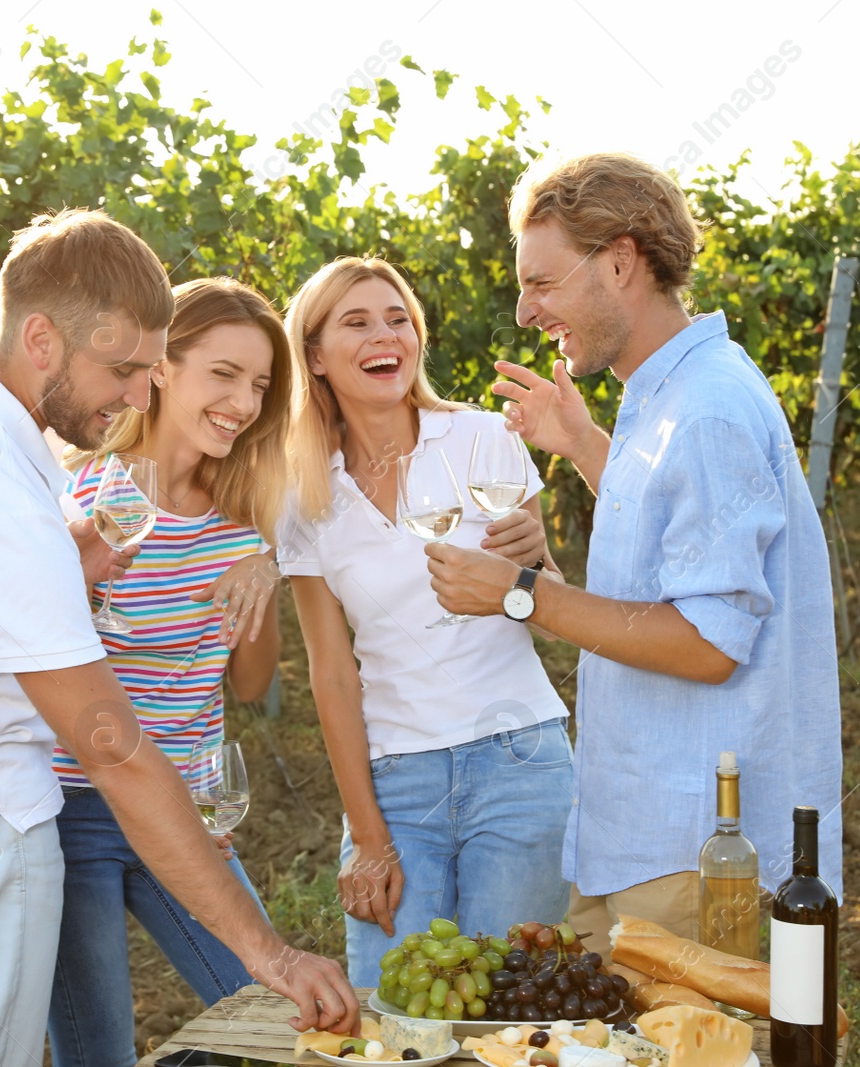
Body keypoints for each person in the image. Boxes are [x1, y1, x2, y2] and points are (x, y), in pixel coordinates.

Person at [0, 209, 357, 1067]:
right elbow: (113, 749)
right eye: (124, 368)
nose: (139, 394)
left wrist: (73, 572)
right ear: (40, 338)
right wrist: (273, 953)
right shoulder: (8, 504)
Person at [422, 152, 844, 959]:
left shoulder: (709, 408)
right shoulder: (666, 395)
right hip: (639, 831)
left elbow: (708, 641)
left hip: (689, 854)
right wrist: (582, 443)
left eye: (541, 282)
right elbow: (678, 534)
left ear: (619, 261)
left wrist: (520, 594)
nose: (523, 310)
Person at [277, 256, 573, 987]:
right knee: (397, 1011)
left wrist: (533, 572)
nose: (387, 336)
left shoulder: (481, 440)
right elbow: (331, 673)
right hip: (396, 780)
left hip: (520, 762)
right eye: (357, 322)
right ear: (313, 356)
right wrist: (368, 834)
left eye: (398, 318)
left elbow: (551, 609)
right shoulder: (305, 491)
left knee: (511, 1006)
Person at [49, 277, 291, 1067]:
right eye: (224, 374)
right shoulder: (78, 495)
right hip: (71, 807)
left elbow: (250, 685)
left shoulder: (242, 523)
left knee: (274, 1025)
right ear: (161, 368)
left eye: (259, 384)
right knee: (97, 1056)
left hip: (184, 814)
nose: (245, 401)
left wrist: (264, 579)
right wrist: (79, 571)